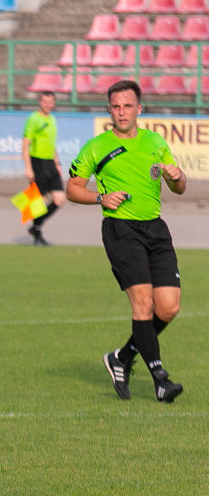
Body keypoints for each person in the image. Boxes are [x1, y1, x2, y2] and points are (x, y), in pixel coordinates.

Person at [66, 80, 185, 403]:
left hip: (156, 230)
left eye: (127, 106)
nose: (121, 112)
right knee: (143, 304)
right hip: (121, 231)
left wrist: (177, 177)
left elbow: (180, 187)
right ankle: (161, 380)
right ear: (109, 110)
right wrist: (100, 198)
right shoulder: (96, 146)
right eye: (116, 107)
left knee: (169, 307)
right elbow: (72, 188)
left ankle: (121, 357)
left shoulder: (155, 142)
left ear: (139, 109)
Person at [22, 91, 65, 246]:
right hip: (37, 162)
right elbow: (25, 144)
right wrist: (28, 168)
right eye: (45, 101)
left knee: (59, 199)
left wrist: (57, 163)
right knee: (38, 201)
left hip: (51, 163)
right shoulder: (33, 119)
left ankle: (35, 227)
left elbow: (52, 144)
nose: (48, 104)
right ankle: (37, 231)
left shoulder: (52, 119)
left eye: (50, 101)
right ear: (40, 102)